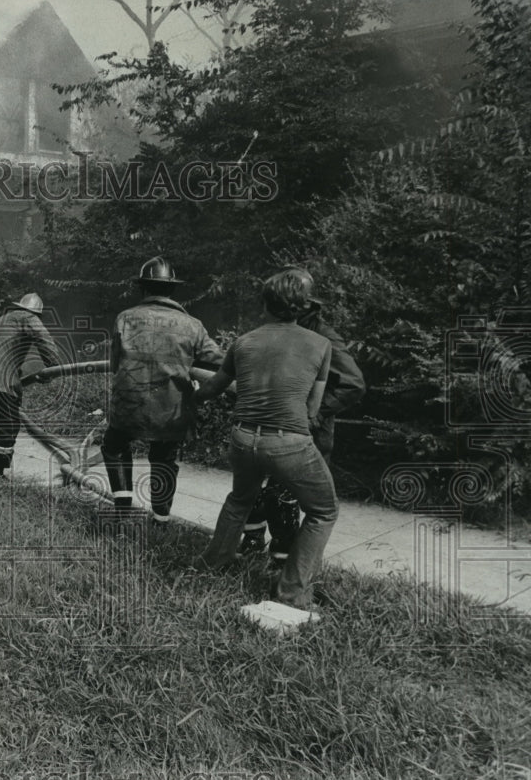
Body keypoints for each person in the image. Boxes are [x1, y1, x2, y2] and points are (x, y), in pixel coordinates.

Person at [194, 270, 338, 609]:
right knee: (323, 510)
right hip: (289, 441)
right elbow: (313, 408)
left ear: (265, 304)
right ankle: (292, 593)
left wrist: (191, 396)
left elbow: (213, 388)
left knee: (239, 500)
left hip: (243, 438)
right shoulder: (321, 344)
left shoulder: (243, 341)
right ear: (304, 307)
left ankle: (209, 567)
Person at [239, 267, 366, 564]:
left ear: (306, 305)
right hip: (271, 426)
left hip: (306, 432)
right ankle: (254, 540)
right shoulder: (282, 333)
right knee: (256, 484)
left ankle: (283, 562)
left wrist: (315, 413)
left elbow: (353, 384)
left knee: (285, 495)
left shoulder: (323, 337)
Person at [101, 257, 224, 523]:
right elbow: (218, 360)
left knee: (114, 445)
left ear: (143, 289)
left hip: (128, 405)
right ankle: (161, 517)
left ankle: (122, 508)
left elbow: (114, 365)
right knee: (164, 457)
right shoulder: (193, 325)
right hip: (171, 409)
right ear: (172, 290)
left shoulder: (125, 318)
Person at [0, 292, 60, 476]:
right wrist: (53, 368)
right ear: (36, 313)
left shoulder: (0, 319)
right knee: (8, 426)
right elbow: (46, 344)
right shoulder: (29, 318)